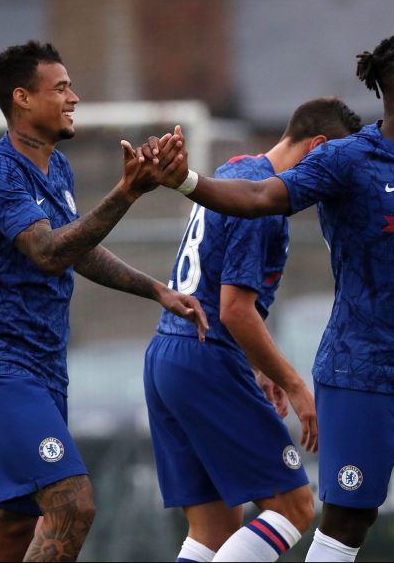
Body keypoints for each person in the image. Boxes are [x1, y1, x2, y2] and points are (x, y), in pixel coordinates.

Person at [146, 33, 394, 562]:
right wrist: (184, 180)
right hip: (362, 374)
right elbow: (261, 195)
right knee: (346, 522)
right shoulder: (346, 159)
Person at [0, 41, 207, 562]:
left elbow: (77, 250)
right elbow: (46, 252)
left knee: (4, 538)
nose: (74, 97)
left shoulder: (58, 168)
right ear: (22, 98)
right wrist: (126, 193)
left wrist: (155, 289)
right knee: (73, 505)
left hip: (43, 374)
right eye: (61, 88)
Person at [143, 97, 363, 563]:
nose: (335, 186)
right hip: (206, 359)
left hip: (168, 355)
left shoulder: (236, 168)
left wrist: (260, 367)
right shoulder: (262, 198)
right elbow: (234, 311)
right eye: (337, 169)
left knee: (215, 528)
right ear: (318, 147)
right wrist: (294, 384)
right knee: (295, 506)